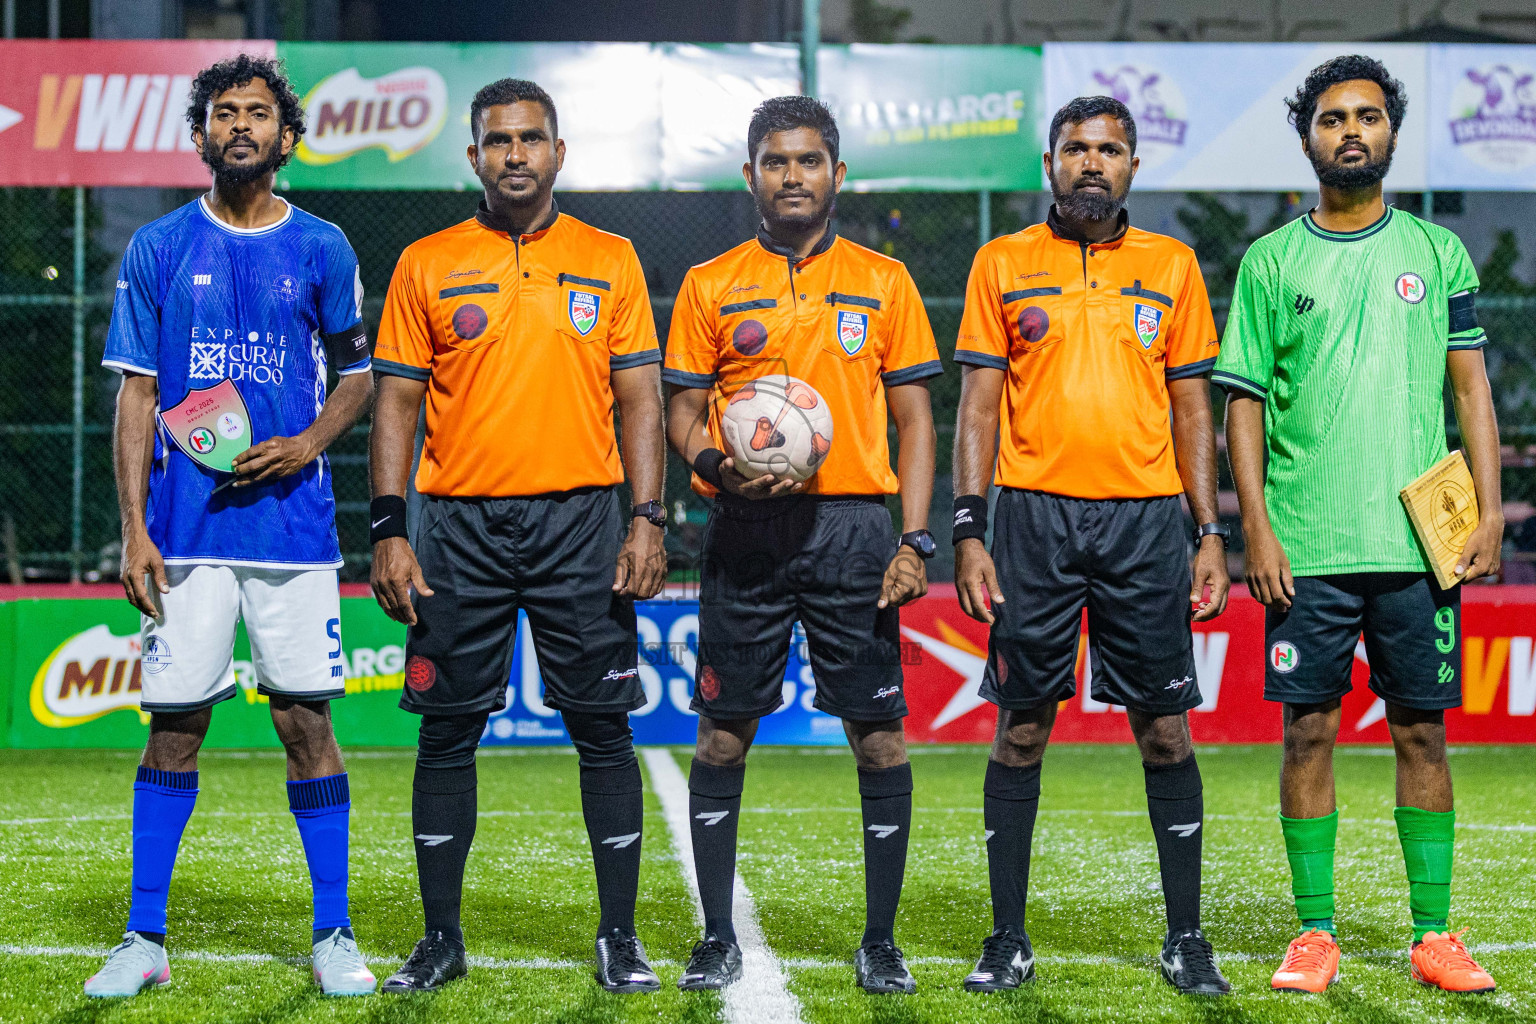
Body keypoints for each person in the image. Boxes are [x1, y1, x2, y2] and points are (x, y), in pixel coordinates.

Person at [369, 78, 668, 994]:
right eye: (497, 140)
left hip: (581, 520)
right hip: (455, 524)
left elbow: (640, 400)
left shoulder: (609, 258)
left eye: (531, 139)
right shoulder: (426, 260)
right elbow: (397, 404)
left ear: (558, 153)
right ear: (474, 157)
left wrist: (648, 520)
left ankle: (619, 936)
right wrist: (388, 528)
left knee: (602, 728)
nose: (514, 154)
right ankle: (441, 938)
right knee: (446, 733)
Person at [87, 54, 376, 998]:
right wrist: (135, 530)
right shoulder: (160, 246)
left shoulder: (324, 246)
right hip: (184, 535)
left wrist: (306, 444)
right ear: (201, 134)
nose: (239, 126)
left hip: (292, 530)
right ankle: (143, 938)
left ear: (287, 137)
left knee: (305, 723)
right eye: (223, 113)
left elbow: (361, 377)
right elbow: (137, 394)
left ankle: (333, 934)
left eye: (257, 113)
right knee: (175, 729)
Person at [1215, 55, 1502, 995]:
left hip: (1420, 545)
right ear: (1307, 136)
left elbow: (1471, 390)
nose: (1351, 131)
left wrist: (1489, 512)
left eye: (1368, 117)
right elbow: (1244, 406)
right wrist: (1254, 526)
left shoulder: (1437, 252)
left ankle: (1434, 934)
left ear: (1390, 133)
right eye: (1332, 117)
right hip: (1307, 549)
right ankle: (1315, 933)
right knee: (1308, 734)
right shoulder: (1270, 261)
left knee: (1423, 733)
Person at [951, 95, 1231, 996]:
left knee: (1163, 729)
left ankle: (1185, 937)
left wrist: (1209, 530)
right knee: (1023, 727)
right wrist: (969, 527)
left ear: (1134, 168)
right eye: (1076, 147)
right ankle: (1006, 938)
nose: (1092, 162)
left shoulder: (1172, 265)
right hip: (1032, 519)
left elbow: (1194, 409)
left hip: (1147, 523)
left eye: (1111, 148)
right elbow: (979, 408)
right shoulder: (1003, 262)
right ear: (1049, 162)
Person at [664, 96, 941, 995]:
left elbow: (914, 419)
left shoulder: (884, 282)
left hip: (854, 527)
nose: (793, 175)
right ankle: (715, 936)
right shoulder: (710, 283)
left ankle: (881, 941)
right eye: (776, 161)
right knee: (722, 738)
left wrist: (916, 541)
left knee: (878, 740)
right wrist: (714, 462)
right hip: (743, 525)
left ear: (837, 175)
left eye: (809, 161)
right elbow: (678, 406)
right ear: (750, 176)